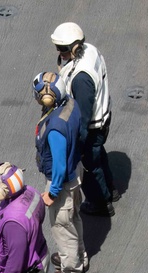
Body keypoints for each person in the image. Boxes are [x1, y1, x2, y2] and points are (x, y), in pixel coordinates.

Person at [51, 22, 120, 217]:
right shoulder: (90, 50)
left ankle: (100, 202)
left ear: (74, 47)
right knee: (98, 155)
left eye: (62, 49)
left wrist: (76, 146)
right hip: (103, 116)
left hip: (92, 127)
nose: (59, 52)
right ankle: (111, 189)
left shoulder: (82, 79)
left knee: (89, 165)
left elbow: (82, 117)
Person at [32, 70, 87, 273]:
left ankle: (71, 268)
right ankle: (77, 256)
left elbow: (59, 165)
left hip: (62, 183)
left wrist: (52, 192)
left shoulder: (55, 129)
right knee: (74, 218)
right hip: (76, 171)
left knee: (62, 225)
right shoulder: (70, 104)